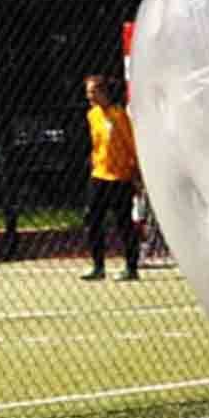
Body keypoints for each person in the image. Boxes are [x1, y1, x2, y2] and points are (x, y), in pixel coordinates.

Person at [83, 72, 142, 282]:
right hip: (99, 174)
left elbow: (131, 144)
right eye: (88, 91)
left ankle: (131, 266)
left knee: (123, 222)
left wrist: (135, 172)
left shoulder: (119, 115)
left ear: (103, 92)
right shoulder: (93, 115)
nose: (89, 95)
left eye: (92, 91)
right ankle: (98, 266)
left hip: (120, 177)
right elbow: (97, 145)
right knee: (92, 219)